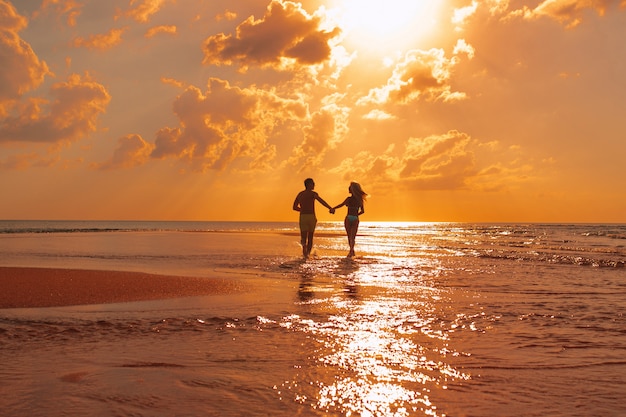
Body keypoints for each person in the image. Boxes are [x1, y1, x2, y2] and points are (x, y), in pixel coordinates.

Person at [293, 178, 334, 258]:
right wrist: (329, 208)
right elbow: (320, 200)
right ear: (308, 184)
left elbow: (294, 207)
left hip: (303, 216)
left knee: (303, 237)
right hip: (311, 216)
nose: (314, 185)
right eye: (313, 183)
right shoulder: (313, 194)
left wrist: (302, 209)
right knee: (310, 237)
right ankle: (307, 255)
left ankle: (305, 252)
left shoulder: (300, 194)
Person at [332, 182, 367, 258]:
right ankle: (352, 251)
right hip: (355, 218)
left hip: (348, 218)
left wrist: (333, 208)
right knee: (352, 237)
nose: (348, 188)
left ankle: (351, 251)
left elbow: (341, 205)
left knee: (349, 236)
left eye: (350, 187)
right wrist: (356, 214)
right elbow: (362, 211)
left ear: (353, 189)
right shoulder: (359, 200)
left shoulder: (349, 199)